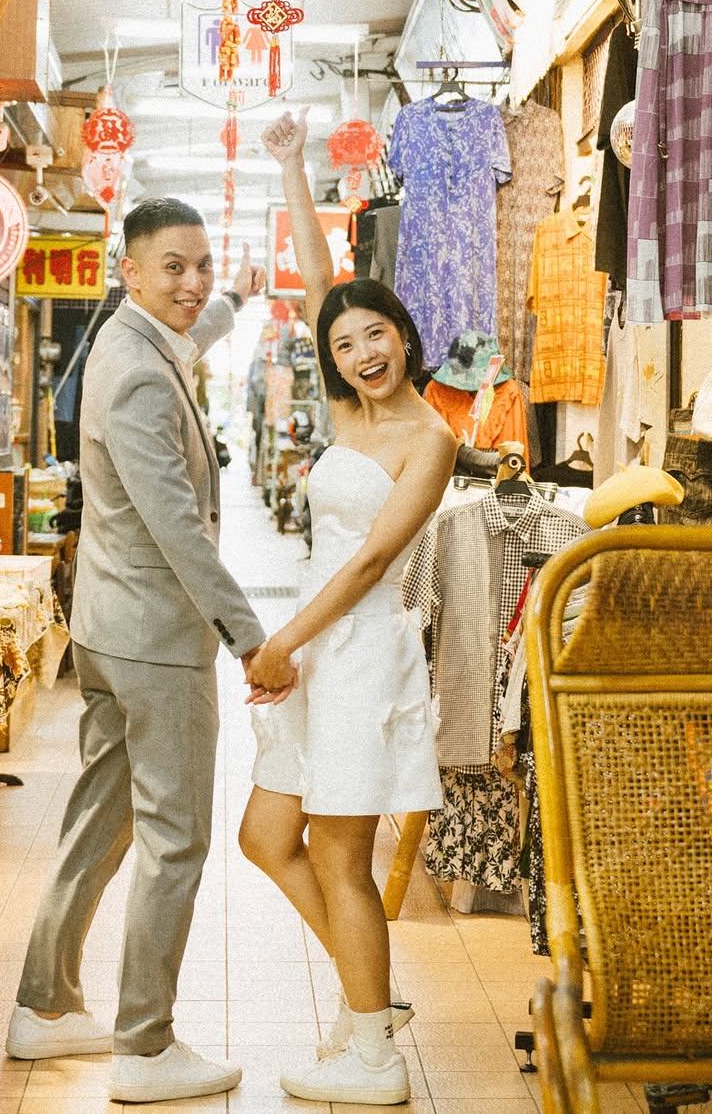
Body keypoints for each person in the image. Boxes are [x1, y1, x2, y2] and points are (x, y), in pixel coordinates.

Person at [6, 199, 286, 1104]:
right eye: (173, 266)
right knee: (176, 838)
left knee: (101, 820)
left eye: (200, 264)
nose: (191, 281)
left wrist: (230, 301)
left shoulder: (135, 341)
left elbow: (191, 330)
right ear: (128, 270)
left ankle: (45, 1004)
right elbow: (176, 527)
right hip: (155, 641)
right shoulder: (137, 372)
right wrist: (251, 638)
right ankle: (145, 1044)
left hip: (110, 629)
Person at [240, 110, 458, 1105]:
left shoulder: (430, 437)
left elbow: (372, 560)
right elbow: (322, 281)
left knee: (336, 849)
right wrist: (293, 168)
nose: (364, 350)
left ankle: (374, 1053)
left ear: (404, 337)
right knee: (266, 836)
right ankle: (375, 1002)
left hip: (358, 650)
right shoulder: (344, 413)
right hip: (317, 652)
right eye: (347, 341)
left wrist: (283, 638)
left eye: (378, 333)